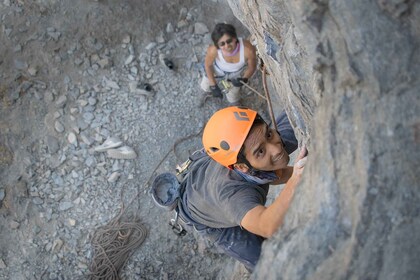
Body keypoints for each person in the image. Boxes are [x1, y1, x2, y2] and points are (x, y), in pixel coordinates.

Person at [177, 106, 308, 271]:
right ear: (241, 167)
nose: (276, 148)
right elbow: (267, 226)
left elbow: (276, 173)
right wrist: (295, 180)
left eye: (269, 133)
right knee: (268, 265)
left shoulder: (258, 146)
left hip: (214, 173)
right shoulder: (232, 195)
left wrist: (307, 171)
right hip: (208, 216)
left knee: (281, 144)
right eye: (260, 151)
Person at [200, 23, 257, 105]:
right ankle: (205, 91)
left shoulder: (247, 49)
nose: (227, 46)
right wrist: (213, 85)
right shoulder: (213, 50)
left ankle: (234, 101)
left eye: (229, 41)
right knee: (206, 84)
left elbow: (252, 67)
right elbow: (208, 65)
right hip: (216, 71)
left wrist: (244, 78)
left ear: (235, 38)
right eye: (222, 44)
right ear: (217, 45)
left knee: (233, 93)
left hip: (236, 75)